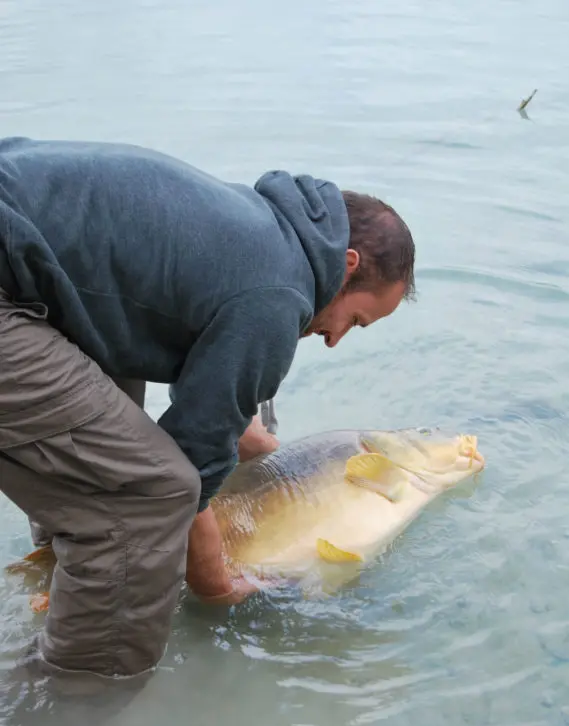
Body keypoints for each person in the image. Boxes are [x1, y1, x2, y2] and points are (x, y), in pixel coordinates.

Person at [0, 136, 415, 680]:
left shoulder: (262, 231)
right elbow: (189, 473)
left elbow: (183, 323)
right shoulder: (278, 295)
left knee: (118, 422)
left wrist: (245, 438)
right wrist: (217, 586)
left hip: (25, 258)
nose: (336, 340)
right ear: (348, 265)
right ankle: (75, 704)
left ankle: (65, 577)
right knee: (157, 492)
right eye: (354, 321)